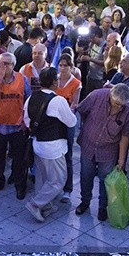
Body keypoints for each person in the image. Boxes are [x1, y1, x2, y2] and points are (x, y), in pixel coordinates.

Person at [23, 67, 78, 222]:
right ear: (55, 82)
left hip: (37, 144)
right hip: (54, 148)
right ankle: (36, 204)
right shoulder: (58, 101)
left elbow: (27, 121)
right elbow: (72, 121)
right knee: (58, 180)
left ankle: (45, 206)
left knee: (42, 178)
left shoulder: (31, 98)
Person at [74, 83, 129, 221]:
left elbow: (125, 136)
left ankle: (102, 207)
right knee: (86, 175)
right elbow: (82, 110)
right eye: (117, 103)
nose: (119, 107)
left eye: (122, 105)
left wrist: (121, 160)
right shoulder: (96, 95)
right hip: (88, 145)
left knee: (105, 180)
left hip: (108, 151)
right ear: (110, 95)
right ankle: (85, 202)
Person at [0, 52, 32, 199]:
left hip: (17, 126)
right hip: (0, 126)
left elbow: (28, 100)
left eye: (7, 63)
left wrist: (26, 122)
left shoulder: (22, 79)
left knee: (19, 159)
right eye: (1, 63)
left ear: (13, 65)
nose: (4, 66)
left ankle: (20, 186)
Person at [54, 53, 82, 203]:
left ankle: (67, 189)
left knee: (67, 155)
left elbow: (74, 105)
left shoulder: (76, 83)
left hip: (67, 122)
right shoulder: (55, 80)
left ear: (71, 67)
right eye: (61, 65)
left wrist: (64, 112)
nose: (63, 68)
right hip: (53, 121)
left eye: (66, 65)